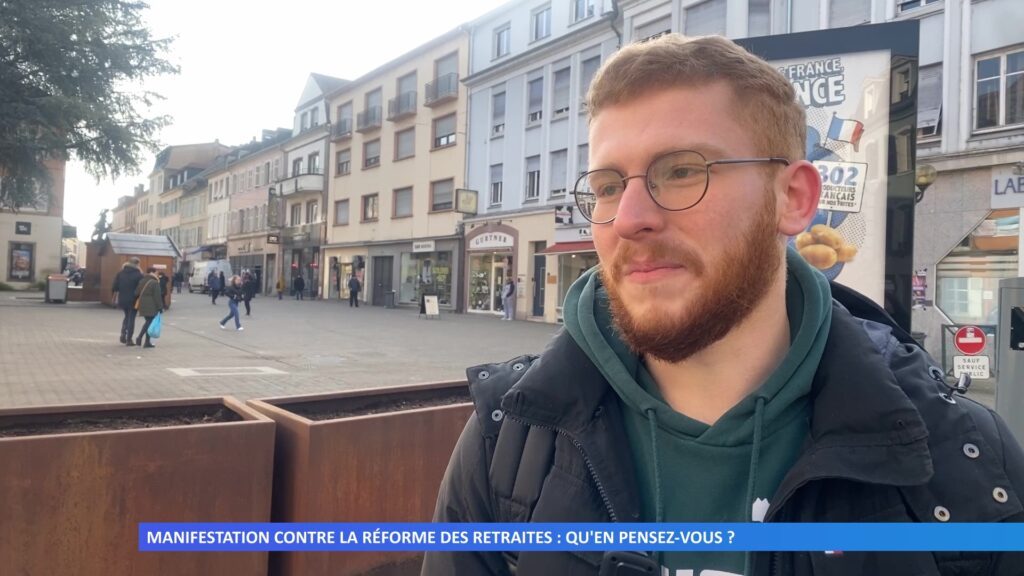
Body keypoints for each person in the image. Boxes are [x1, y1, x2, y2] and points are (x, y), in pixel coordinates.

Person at [423, 35, 1024, 576]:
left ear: (792, 198)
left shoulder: (962, 457)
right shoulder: (510, 439)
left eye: (682, 171)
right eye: (608, 186)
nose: (628, 219)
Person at [111, 257, 143, 346]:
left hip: (122, 299)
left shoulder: (120, 273)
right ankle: (129, 339)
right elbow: (141, 288)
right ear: (137, 264)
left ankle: (123, 334)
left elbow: (114, 287)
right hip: (134, 299)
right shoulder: (139, 275)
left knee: (127, 316)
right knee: (131, 318)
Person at [133, 267, 164, 349]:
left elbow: (136, 293)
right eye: (156, 272)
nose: (157, 274)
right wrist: (160, 307)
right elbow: (157, 296)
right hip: (151, 305)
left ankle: (147, 342)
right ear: (152, 272)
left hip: (142, 304)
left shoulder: (142, 281)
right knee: (149, 322)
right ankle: (140, 337)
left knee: (148, 322)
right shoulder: (154, 282)